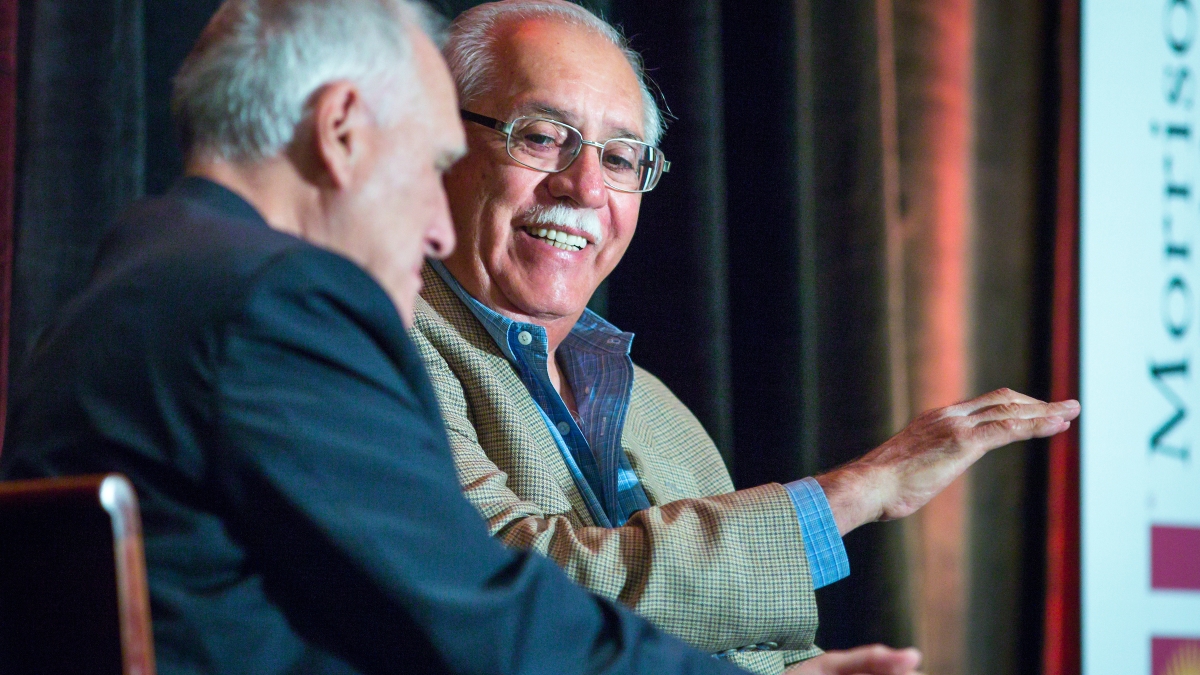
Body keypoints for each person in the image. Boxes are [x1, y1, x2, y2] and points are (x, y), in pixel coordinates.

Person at [0, 1, 924, 674]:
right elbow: (478, 612)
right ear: (343, 132)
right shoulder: (274, 302)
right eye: (435, 162)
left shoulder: (146, 276)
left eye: (619, 159)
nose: (436, 229)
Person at [409, 1, 1082, 673]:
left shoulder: (657, 410)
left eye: (619, 158)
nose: (585, 186)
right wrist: (858, 491)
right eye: (542, 136)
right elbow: (519, 588)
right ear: (439, 140)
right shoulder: (388, 343)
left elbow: (736, 640)